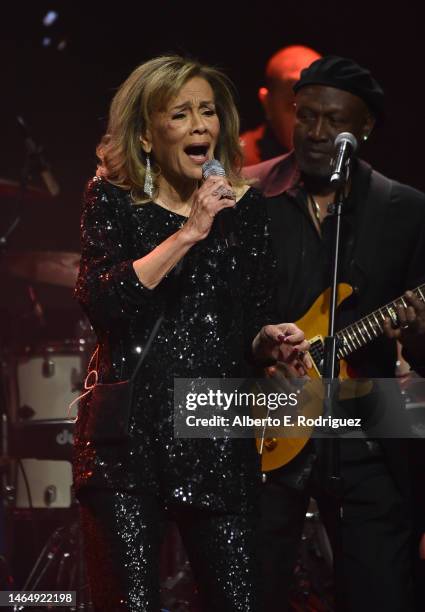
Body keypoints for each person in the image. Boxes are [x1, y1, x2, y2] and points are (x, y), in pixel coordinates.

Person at [72, 55, 310, 612]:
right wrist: (188, 232)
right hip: (128, 445)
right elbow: (103, 301)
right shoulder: (112, 199)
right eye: (181, 114)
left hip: (215, 433)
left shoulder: (245, 210)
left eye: (208, 112)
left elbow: (247, 320)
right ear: (149, 136)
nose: (201, 126)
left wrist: (267, 341)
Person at [244, 56, 425, 611]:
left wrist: (418, 334)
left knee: (383, 591)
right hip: (260, 419)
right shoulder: (250, 196)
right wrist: (257, 345)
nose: (317, 133)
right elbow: (211, 313)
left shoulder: (405, 210)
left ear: (365, 127)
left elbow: (422, 352)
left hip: (367, 421)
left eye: (334, 121)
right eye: (307, 116)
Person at [240, 45, 321, 165]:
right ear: (267, 104)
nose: (315, 128)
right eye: (294, 106)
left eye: (318, 105)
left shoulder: (342, 157)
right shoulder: (237, 162)